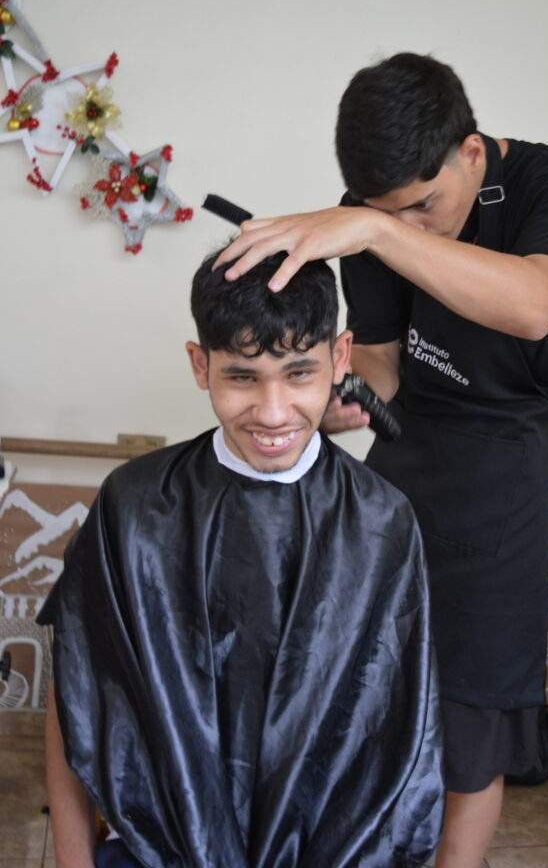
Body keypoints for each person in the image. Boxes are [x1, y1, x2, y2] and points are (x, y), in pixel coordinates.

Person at [215, 52, 548, 868]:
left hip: (502, 471)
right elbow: (385, 363)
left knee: (472, 720)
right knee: (366, 688)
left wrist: (374, 229)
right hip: (404, 457)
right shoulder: (373, 219)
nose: (412, 226)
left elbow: (534, 305)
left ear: (470, 152)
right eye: (390, 213)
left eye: (425, 205)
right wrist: (335, 401)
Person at [39, 250, 444, 868]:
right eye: (242, 377)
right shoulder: (135, 506)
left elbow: (402, 736)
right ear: (200, 364)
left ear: (341, 358)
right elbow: (75, 696)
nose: (273, 412)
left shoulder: (383, 521)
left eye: (299, 373)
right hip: (161, 849)